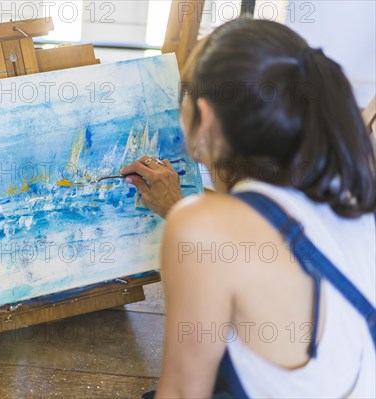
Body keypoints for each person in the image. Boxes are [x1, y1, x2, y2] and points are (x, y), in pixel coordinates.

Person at [121, 18, 376, 398]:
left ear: (204, 117)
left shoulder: (200, 228)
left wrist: (183, 212)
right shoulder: (350, 189)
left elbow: (181, 393)